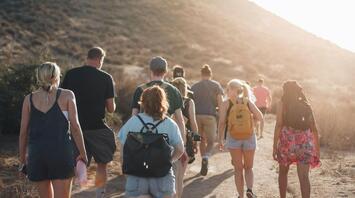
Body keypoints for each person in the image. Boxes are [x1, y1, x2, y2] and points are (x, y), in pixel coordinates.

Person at [19, 62, 87, 198]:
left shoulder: (29, 99)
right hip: (60, 154)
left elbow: (23, 132)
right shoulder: (67, 95)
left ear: (39, 76)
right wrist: (83, 153)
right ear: (57, 77)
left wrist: (22, 160)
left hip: (37, 155)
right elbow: (75, 127)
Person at [62, 47, 116, 198]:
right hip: (97, 128)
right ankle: (100, 194)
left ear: (87, 57)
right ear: (100, 59)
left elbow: (61, 101)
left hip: (73, 127)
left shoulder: (71, 74)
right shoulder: (106, 77)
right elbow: (111, 109)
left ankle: (67, 194)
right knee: (102, 163)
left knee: (72, 166)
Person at [119, 86, 184, 198]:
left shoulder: (133, 121)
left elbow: (122, 152)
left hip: (137, 176)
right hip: (162, 177)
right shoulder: (169, 124)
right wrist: (168, 161)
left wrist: (128, 172)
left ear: (143, 102)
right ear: (163, 102)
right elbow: (180, 149)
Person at [273, 80, 320, 198]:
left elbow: (279, 124)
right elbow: (314, 128)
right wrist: (317, 150)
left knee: (283, 172)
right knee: (304, 177)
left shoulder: (282, 104)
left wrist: (274, 146)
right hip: (305, 143)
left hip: (287, 143)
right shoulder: (306, 104)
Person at [217, 79, 263, 198]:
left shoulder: (225, 103)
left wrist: (220, 139)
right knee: (248, 167)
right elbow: (260, 117)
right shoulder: (247, 101)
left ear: (230, 90)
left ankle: (240, 196)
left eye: (227, 89)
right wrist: (251, 123)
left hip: (233, 137)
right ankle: (250, 190)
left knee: (238, 169)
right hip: (249, 136)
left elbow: (222, 122)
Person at [191, 64, 224, 176]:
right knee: (210, 141)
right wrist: (221, 115)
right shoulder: (216, 85)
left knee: (201, 140)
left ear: (201, 74)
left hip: (197, 116)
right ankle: (205, 157)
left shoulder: (194, 86)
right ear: (210, 74)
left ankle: (202, 162)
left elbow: (191, 103)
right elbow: (220, 102)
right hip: (210, 116)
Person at [171, 77, 199, 198]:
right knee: (179, 178)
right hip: (185, 139)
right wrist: (196, 141)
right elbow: (193, 122)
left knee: (169, 176)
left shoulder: (167, 101)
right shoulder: (189, 102)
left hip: (169, 139)